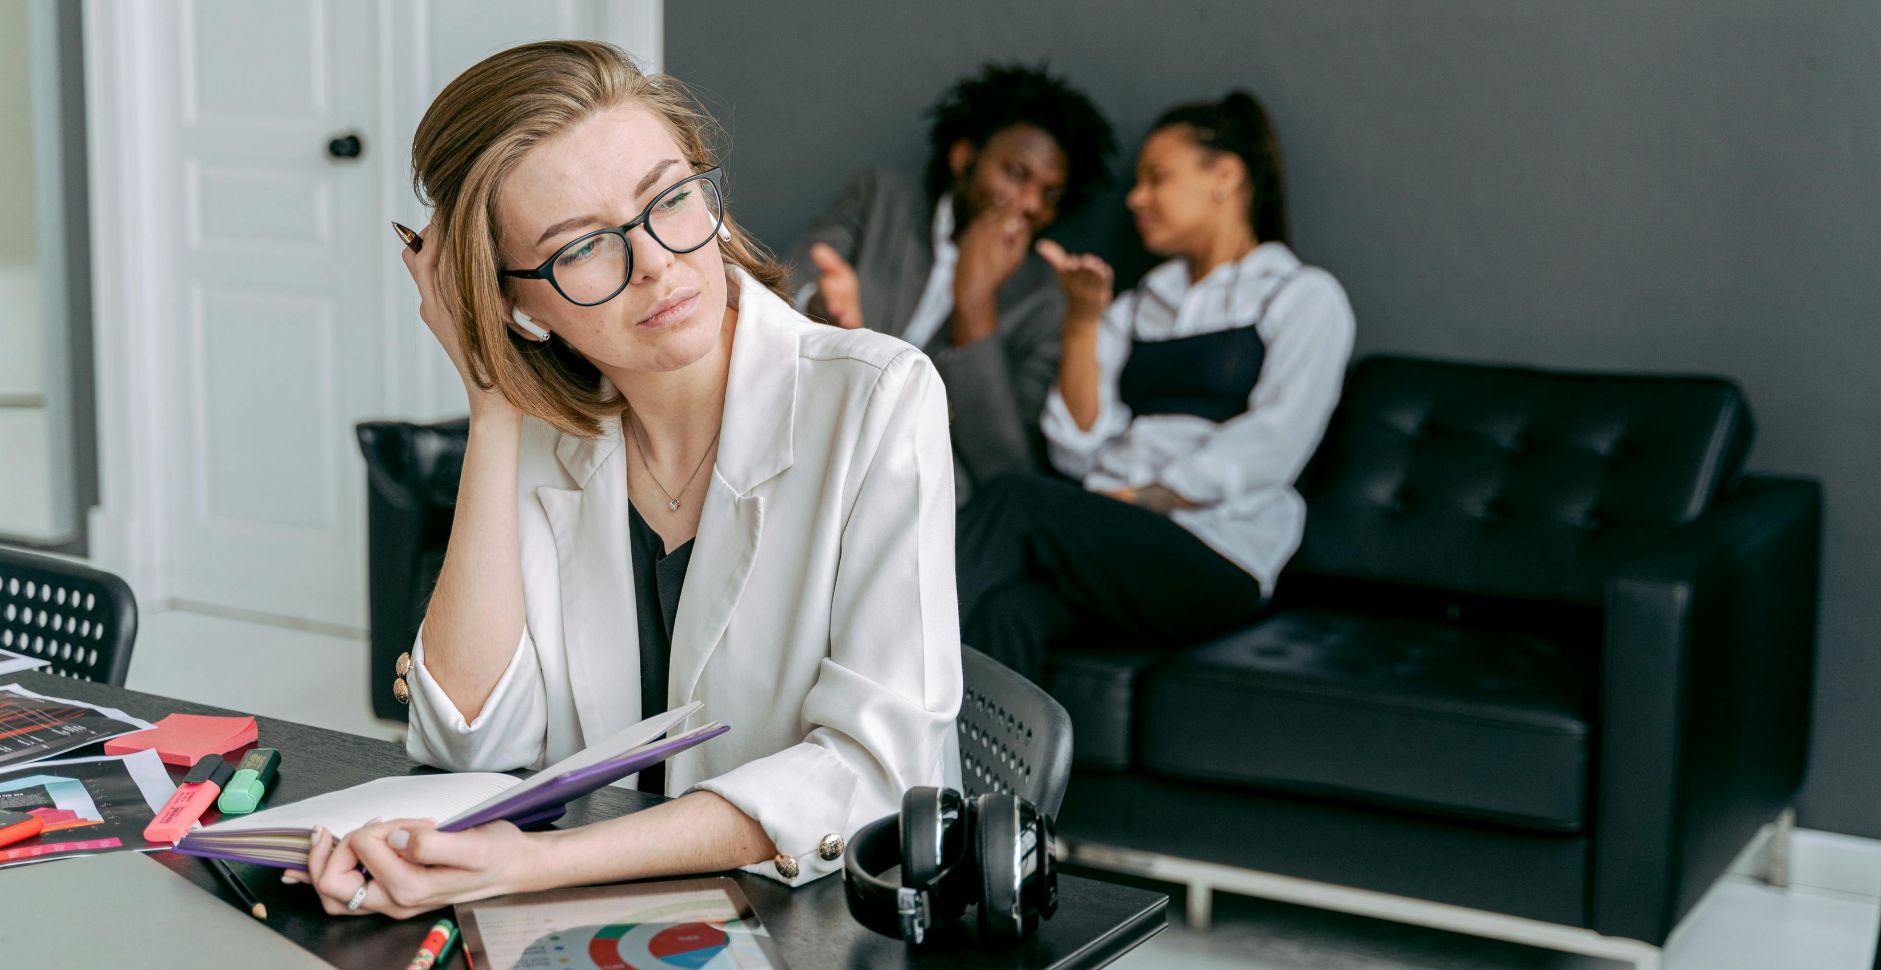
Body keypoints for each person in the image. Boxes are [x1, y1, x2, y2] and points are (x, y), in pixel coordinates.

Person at [288, 41, 961, 918]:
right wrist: (490, 402)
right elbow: (470, 742)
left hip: (830, 938)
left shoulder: (877, 397)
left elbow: (873, 774)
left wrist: (535, 867)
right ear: (516, 303)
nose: (655, 263)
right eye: (583, 249)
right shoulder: (540, 438)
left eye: (670, 200)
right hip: (596, 936)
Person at [957, 91, 1355, 681]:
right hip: (1116, 545)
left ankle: (867, 669)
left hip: (1217, 557)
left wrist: (1139, 499)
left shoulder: (1301, 296)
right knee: (1011, 614)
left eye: (1156, 178)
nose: (1136, 198)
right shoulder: (1141, 305)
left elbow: (1275, 442)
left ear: (1225, 176)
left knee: (1015, 500)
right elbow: (1077, 446)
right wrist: (1082, 323)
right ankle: (963, 775)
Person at [790, 62, 1114, 496]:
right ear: (964, 158)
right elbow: (785, 289)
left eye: (1049, 194)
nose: (1030, 203)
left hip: (924, 498)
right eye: (1016, 173)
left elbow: (1007, 468)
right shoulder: (881, 200)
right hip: (812, 433)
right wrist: (824, 313)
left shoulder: (1044, 301)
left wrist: (975, 303)